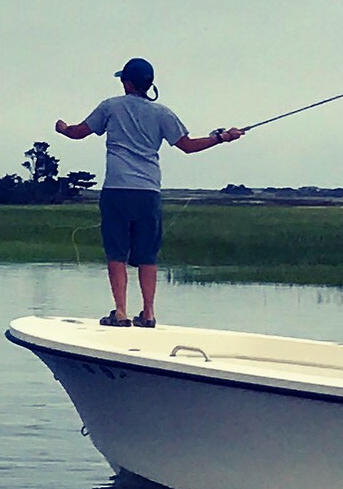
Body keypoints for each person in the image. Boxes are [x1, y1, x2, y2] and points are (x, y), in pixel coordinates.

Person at [56, 58, 244, 328]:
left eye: (123, 80)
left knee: (116, 252)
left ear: (128, 83)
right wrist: (221, 138)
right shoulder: (163, 113)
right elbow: (188, 146)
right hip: (148, 192)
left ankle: (120, 312)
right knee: (147, 255)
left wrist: (61, 127)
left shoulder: (110, 106)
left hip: (117, 189)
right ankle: (148, 313)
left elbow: (77, 133)